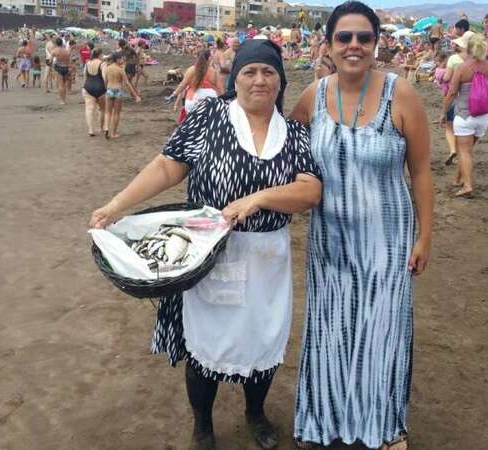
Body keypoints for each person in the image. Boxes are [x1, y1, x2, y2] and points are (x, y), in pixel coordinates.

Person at [89, 39, 323, 450]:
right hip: (210, 255)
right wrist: (116, 205)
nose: (259, 80)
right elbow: (167, 166)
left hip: (267, 258)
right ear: (236, 79)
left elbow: (310, 191)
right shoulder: (210, 116)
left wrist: (258, 198)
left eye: (269, 72)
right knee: (205, 345)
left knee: (263, 339)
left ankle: (255, 413)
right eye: (249, 71)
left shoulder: (294, 134)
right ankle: (203, 426)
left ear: (281, 80)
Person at [289, 2, 434, 448]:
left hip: (388, 243)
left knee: (382, 333)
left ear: (376, 43)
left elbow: (421, 172)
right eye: (344, 37)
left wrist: (425, 237)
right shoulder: (313, 96)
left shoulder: (400, 94)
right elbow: (283, 151)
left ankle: (385, 428)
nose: (354, 46)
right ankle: (325, 422)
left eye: (364, 37)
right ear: (329, 44)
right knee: (330, 330)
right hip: (329, 244)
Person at [442, 33, 488, 197]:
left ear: (468, 49)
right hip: (483, 117)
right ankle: (457, 179)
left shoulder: (462, 68)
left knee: (464, 152)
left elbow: (452, 93)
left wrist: (444, 112)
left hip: (465, 116)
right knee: (466, 150)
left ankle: (467, 185)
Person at [441, 30, 472, 165]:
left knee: (449, 126)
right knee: (465, 130)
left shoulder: (454, 59)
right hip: (472, 99)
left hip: (455, 96)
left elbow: (447, 77)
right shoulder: (479, 60)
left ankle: (453, 150)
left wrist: (440, 75)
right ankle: (462, 153)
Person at [169, 50, 221, 124]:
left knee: (192, 122)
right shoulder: (213, 71)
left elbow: (183, 85)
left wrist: (174, 94)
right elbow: (220, 88)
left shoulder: (192, 70)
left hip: (193, 97)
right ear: (209, 58)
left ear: (197, 57)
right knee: (208, 122)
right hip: (211, 98)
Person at [102, 52, 141, 139]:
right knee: (116, 113)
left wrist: (106, 89)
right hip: (118, 91)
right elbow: (127, 83)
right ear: (117, 59)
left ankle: (106, 128)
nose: (123, 60)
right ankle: (113, 133)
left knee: (108, 112)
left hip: (109, 90)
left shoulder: (108, 68)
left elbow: (105, 81)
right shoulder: (120, 69)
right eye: (121, 59)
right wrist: (135, 96)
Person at [82, 48, 107, 137]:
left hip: (88, 87)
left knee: (89, 109)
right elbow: (104, 77)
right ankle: (101, 127)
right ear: (100, 55)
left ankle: (91, 130)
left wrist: (84, 86)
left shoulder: (87, 63)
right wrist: (106, 88)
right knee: (102, 109)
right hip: (100, 88)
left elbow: (85, 76)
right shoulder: (102, 64)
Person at [50, 37, 72, 104]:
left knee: (60, 85)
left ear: (56, 43)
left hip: (58, 68)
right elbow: (69, 61)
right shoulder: (66, 51)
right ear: (62, 43)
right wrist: (70, 68)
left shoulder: (54, 51)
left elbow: (50, 61)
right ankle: (64, 99)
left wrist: (51, 67)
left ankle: (62, 100)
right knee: (64, 85)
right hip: (66, 68)